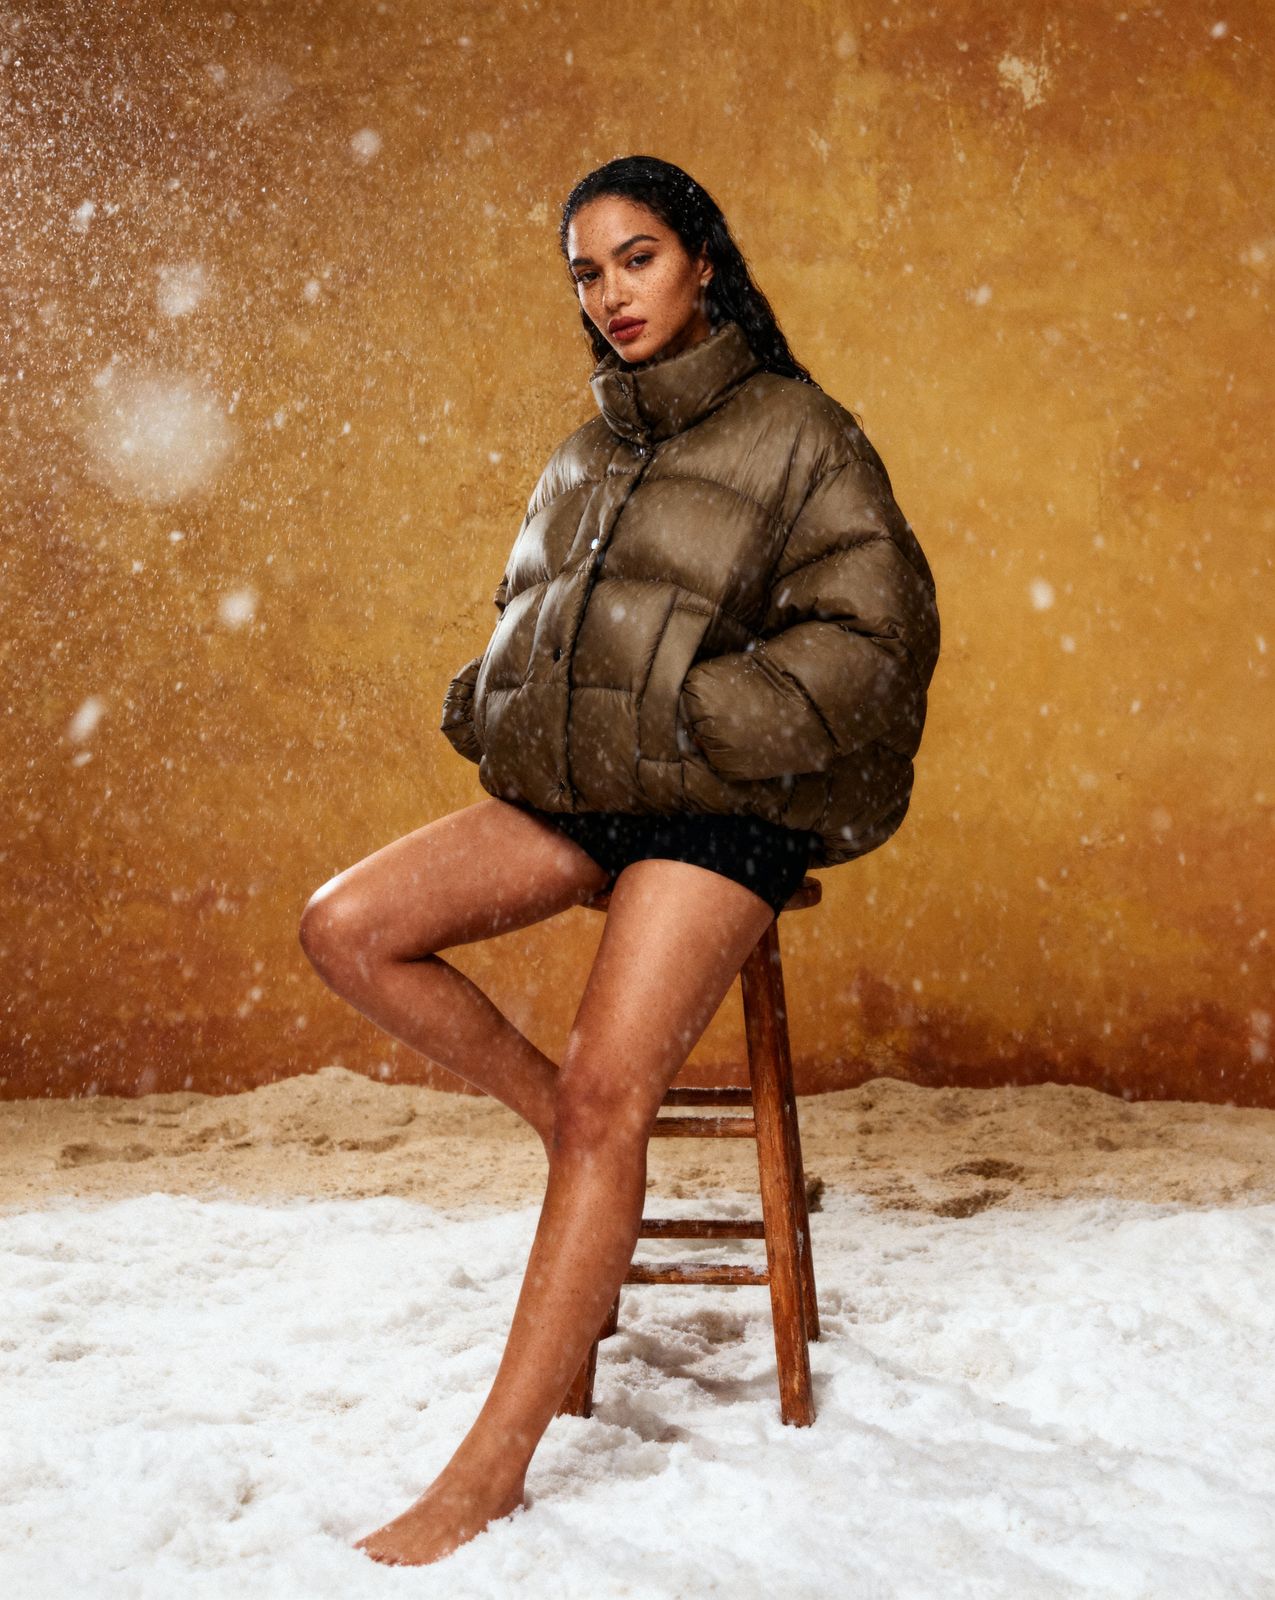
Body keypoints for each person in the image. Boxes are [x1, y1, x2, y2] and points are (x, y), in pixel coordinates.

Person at [299, 154, 940, 1567]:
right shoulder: (588, 447)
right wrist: (493, 700)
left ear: (702, 260)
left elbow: (871, 656)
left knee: (611, 1092)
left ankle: (486, 1476)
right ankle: (581, 1139)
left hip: (720, 809)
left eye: (637, 259)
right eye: (587, 273)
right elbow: (537, 622)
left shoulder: (804, 434)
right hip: (595, 792)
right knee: (346, 926)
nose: (611, 296)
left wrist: (692, 720)